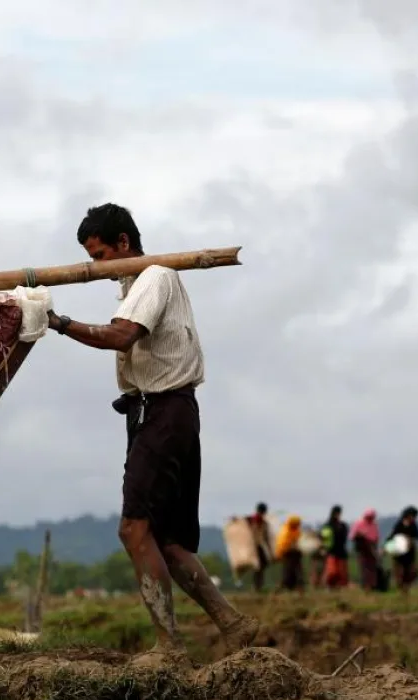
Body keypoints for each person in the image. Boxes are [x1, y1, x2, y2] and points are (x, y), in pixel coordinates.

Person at [45, 203, 261, 662]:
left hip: (162, 412)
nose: (99, 266)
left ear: (123, 243)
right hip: (164, 412)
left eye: (101, 254)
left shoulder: (154, 276)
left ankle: (169, 646)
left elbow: (121, 336)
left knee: (134, 528)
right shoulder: (135, 284)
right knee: (168, 541)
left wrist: (58, 323)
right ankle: (233, 624)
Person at [386, 507, 418, 593]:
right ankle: (401, 588)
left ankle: (407, 588)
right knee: (399, 571)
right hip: (399, 553)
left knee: (410, 571)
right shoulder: (399, 524)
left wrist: (410, 541)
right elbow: (392, 536)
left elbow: (417, 537)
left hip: (410, 553)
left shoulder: (414, 525)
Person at [351, 509, 383, 591]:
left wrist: (376, 549)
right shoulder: (358, 523)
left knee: (373, 567)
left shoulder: (374, 525)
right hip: (362, 549)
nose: (370, 519)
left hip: (372, 548)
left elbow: (376, 538)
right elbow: (352, 536)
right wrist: (361, 535)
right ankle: (366, 585)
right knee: (364, 567)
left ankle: (373, 585)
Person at [321, 506, 351, 589]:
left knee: (341, 572)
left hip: (341, 551)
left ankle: (338, 587)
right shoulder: (327, 525)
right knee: (332, 571)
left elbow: (345, 537)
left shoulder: (343, 525)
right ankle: (329, 585)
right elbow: (323, 538)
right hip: (331, 551)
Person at [247, 503, 274, 593]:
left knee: (262, 566)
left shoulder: (264, 523)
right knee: (257, 567)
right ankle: (256, 586)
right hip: (253, 547)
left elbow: (266, 537)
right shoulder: (251, 520)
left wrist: (269, 549)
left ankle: (258, 586)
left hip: (260, 547)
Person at [276, 516, 305, 592]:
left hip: (295, 554)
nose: (297, 525)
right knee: (288, 571)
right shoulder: (285, 532)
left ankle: (296, 587)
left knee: (296, 571)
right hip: (288, 554)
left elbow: (298, 541)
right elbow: (283, 544)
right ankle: (284, 586)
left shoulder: (296, 530)